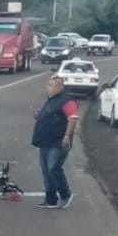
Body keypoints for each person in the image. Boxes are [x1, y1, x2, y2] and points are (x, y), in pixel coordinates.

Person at [31, 75, 78, 209]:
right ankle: (50, 198)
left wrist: (67, 137)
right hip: (45, 141)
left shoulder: (67, 101)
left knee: (53, 168)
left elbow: (73, 118)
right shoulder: (52, 100)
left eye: (51, 85)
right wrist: (39, 115)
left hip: (58, 142)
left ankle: (65, 194)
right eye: (48, 85)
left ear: (59, 87)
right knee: (46, 170)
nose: (48, 87)